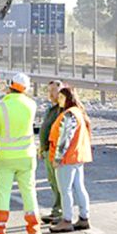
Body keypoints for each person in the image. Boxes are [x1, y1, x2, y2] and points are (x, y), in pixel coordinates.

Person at [0, 72, 39, 234]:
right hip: (27, 157)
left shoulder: (0, 108)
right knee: (29, 192)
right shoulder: (32, 105)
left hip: (5, 158)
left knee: (3, 194)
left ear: (9, 86)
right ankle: (34, 230)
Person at [49, 86, 93, 233]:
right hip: (78, 157)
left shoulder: (69, 114)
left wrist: (57, 157)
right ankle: (84, 217)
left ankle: (66, 220)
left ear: (67, 99)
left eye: (61, 97)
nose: (58, 100)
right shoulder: (79, 113)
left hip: (67, 158)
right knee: (79, 188)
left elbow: (65, 138)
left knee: (65, 189)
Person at [38, 80, 64, 224]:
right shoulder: (50, 109)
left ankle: (60, 211)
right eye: (49, 90)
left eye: (54, 90)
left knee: (59, 182)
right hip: (48, 151)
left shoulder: (62, 110)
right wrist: (41, 148)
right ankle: (57, 210)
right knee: (52, 181)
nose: (51, 94)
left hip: (56, 152)